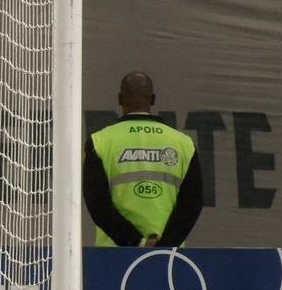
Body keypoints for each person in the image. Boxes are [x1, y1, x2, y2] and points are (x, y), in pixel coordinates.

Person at [83, 71, 203, 247]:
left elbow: (98, 205)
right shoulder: (184, 145)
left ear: (119, 98)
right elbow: (192, 204)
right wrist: (166, 244)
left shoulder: (99, 142)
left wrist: (137, 242)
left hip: (112, 258)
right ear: (153, 99)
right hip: (170, 258)